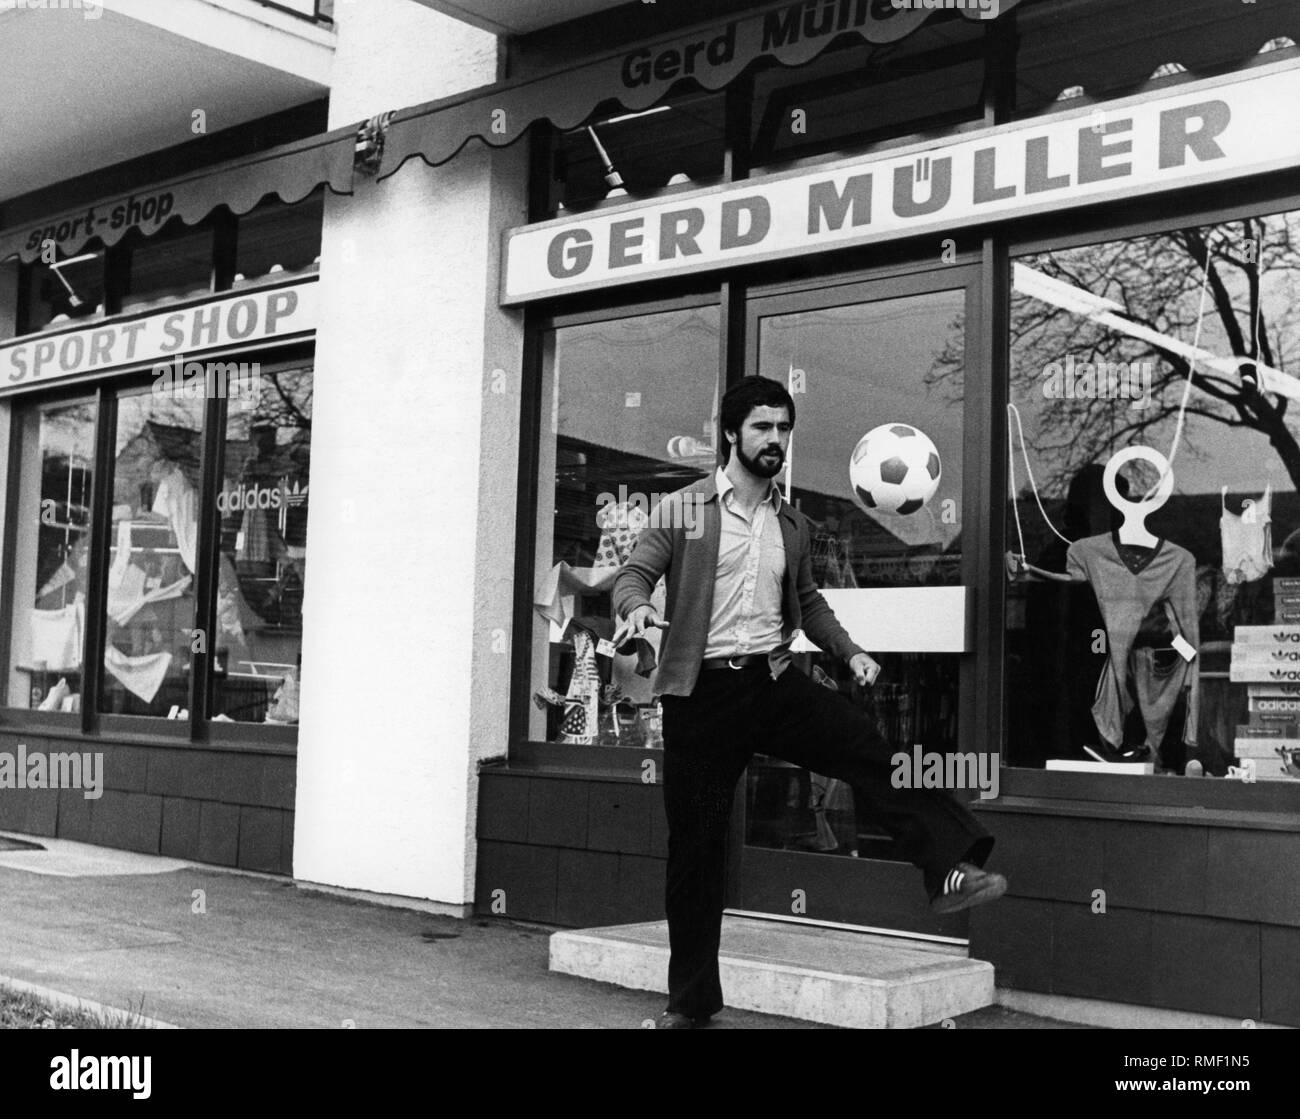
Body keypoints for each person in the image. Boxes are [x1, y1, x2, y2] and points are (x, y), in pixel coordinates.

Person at [612, 376, 1005, 1030]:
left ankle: (947, 869)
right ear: (732, 434)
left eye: (784, 428)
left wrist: (848, 651)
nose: (776, 440)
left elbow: (811, 601)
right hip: (699, 694)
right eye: (763, 427)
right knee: (697, 852)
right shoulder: (684, 507)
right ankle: (690, 1004)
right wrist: (642, 609)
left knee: (870, 749)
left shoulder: (793, 522)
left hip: (772, 681)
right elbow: (633, 575)